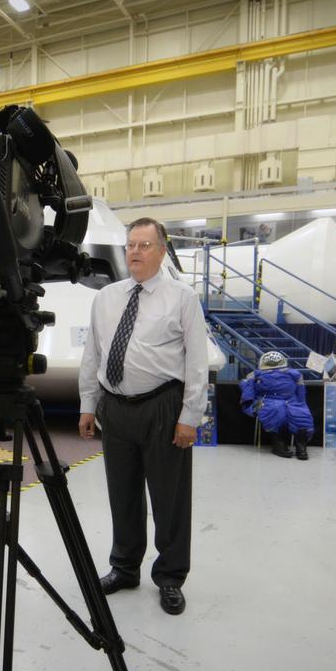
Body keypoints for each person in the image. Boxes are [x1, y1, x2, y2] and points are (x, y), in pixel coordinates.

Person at [77, 217, 208, 616]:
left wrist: (190, 416)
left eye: (144, 245)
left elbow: (197, 362)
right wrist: (88, 404)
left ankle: (169, 577)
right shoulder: (106, 298)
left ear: (162, 251)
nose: (135, 252)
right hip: (116, 408)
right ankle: (124, 567)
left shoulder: (182, 298)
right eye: (131, 245)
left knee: (169, 497)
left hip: (162, 407)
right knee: (123, 494)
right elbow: (93, 356)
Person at [240, 350, 313, 460]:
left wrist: (301, 403)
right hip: (268, 399)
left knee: (302, 416)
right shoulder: (256, 374)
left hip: (291, 400)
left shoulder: (294, 374)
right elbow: (246, 386)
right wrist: (249, 402)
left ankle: (301, 445)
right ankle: (279, 444)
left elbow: (301, 391)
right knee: (276, 413)